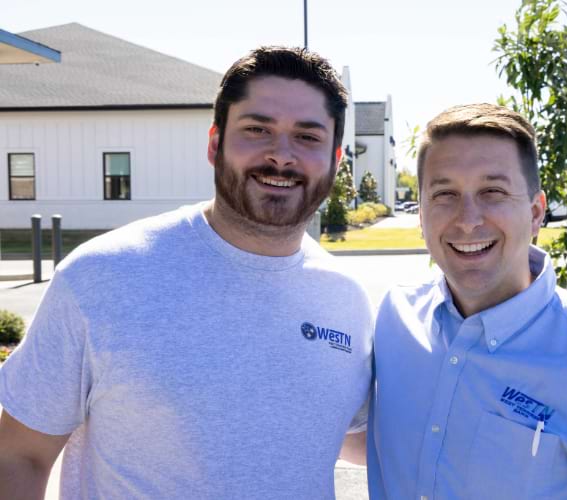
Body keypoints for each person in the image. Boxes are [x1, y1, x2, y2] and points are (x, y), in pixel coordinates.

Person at [0, 46, 373, 499]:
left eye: (307, 137)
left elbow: (351, 435)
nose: (281, 155)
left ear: (335, 159)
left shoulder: (345, 297)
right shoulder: (103, 275)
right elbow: (20, 455)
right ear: (215, 143)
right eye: (257, 129)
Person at [367, 103, 567, 499]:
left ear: (536, 212)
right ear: (420, 215)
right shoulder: (396, 321)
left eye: (493, 192)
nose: (468, 219)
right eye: (445, 193)